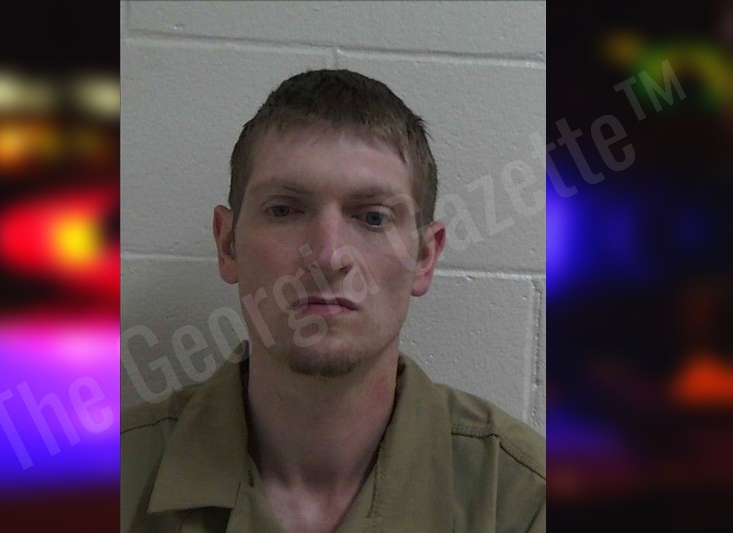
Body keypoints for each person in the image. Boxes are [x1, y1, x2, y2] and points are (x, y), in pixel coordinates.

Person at [121, 69, 545, 532]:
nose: (327, 256)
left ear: (424, 257)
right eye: (284, 210)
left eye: (373, 218)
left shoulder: (520, 500)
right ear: (228, 245)